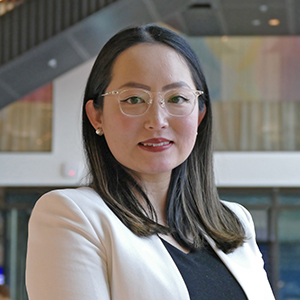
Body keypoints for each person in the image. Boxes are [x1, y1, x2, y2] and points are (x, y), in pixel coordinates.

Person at [26, 24, 275, 300]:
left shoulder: (235, 222)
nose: (157, 121)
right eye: (133, 99)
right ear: (97, 116)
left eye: (177, 98)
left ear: (200, 115)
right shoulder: (71, 216)